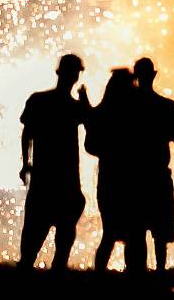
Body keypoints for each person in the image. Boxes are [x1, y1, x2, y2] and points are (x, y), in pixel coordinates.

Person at [18, 53, 91, 270]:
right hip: (63, 178)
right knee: (60, 230)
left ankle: (27, 270)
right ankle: (54, 273)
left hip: (46, 176)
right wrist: (85, 100)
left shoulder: (39, 101)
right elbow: (92, 122)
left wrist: (26, 163)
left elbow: (27, 133)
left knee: (35, 232)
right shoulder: (72, 106)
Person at [85, 67, 141, 271]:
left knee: (111, 233)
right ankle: (135, 275)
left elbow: (90, 145)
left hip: (110, 179)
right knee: (133, 232)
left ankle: (100, 276)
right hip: (131, 179)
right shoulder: (137, 111)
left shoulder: (103, 111)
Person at [131, 56, 174, 271]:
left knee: (137, 227)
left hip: (134, 174)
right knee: (160, 230)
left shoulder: (127, 108)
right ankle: (160, 270)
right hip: (157, 173)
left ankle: (138, 271)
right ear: (153, 75)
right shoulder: (167, 106)